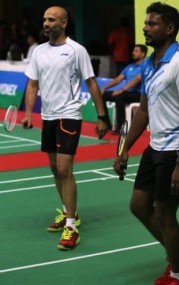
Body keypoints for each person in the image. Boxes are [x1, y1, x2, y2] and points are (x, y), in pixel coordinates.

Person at [113, 2, 179, 285]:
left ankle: (178, 274)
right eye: (146, 23)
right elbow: (144, 112)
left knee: (164, 213)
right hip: (156, 146)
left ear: (169, 29)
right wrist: (125, 149)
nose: (145, 28)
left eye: (152, 24)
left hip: (178, 150)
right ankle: (178, 255)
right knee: (138, 206)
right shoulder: (149, 65)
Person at [21, 6, 109, 250]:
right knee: (53, 167)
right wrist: (29, 113)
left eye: (51, 19)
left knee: (64, 168)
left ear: (63, 23)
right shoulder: (38, 52)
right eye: (44, 19)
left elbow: (91, 83)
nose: (46, 23)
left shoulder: (76, 50)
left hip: (69, 114)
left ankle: (71, 226)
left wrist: (102, 116)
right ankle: (70, 211)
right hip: (48, 116)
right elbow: (32, 85)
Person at [100, 44, 148, 134]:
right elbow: (118, 79)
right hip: (127, 93)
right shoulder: (129, 66)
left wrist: (122, 90)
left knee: (119, 96)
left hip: (139, 94)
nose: (133, 53)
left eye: (136, 51)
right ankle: (107, 124)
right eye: (133, 51)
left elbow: (137, 80)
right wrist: (104, 88)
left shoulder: (145, 66)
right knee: (102, 95)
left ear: (142, 54)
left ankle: (121, 128)